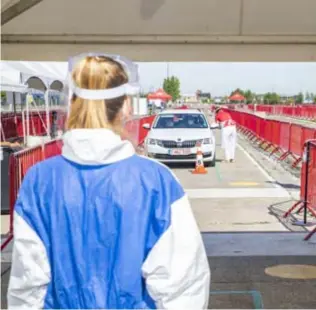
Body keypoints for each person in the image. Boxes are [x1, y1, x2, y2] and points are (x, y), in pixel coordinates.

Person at [7, 55, 210, 309]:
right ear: (126, 106)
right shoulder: (157, 182)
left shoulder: (38, 181)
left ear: (72, 103)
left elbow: (27, 284)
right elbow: (183, 287)